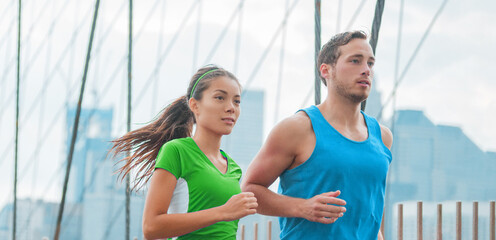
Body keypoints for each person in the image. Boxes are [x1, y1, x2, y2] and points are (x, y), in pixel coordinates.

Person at [240, 30, 393, 240]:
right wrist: (302, 207)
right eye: (355, 61)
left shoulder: (382, 137)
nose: (366, 70)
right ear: (326, 70)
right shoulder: (297, 129)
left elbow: (369, 208)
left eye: (370, 63)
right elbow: (249, 190)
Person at [110, 65, 258, 239]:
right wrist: (224, 211)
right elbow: (151, 227)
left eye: (237, 101)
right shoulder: (176, 151)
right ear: (195, 105)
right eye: (220, 98)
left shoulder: (233, 167)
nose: (231, 107)